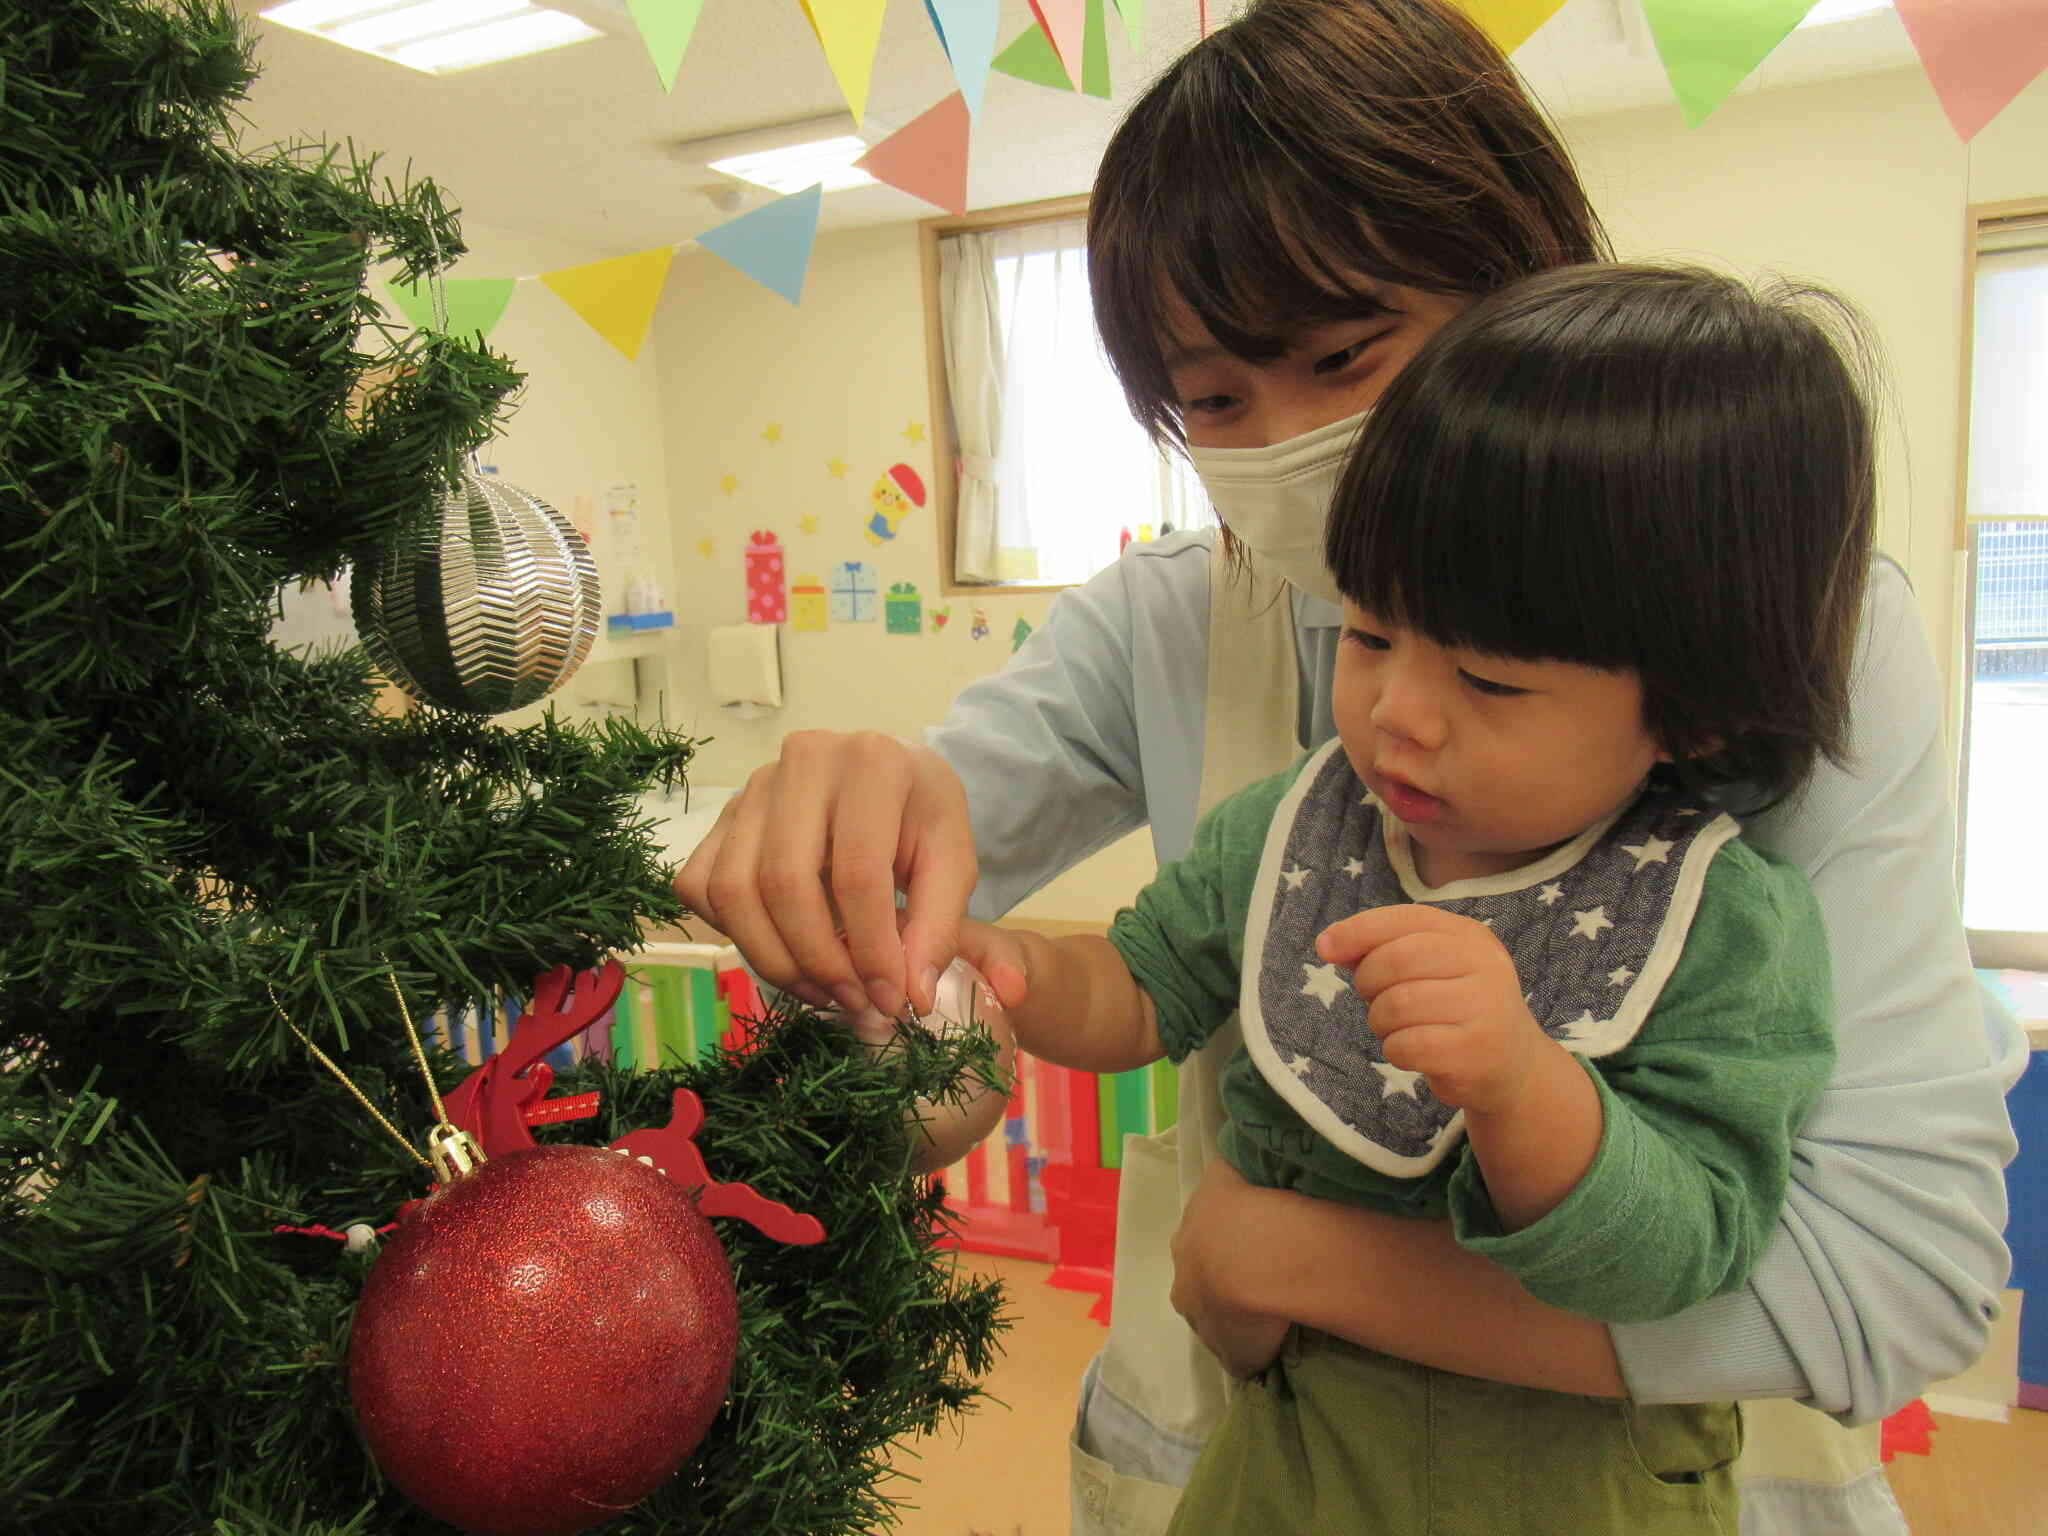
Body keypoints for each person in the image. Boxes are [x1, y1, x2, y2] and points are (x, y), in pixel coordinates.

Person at [677, 4, 2024, 1533]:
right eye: (1215, 403)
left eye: (1347, 354)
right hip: (1244, 1473)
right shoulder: (1176, 622)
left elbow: (1892, 1277)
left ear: (1535, 288)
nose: (1295, 445)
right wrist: (880, 947)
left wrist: (1304, 1264)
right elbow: (980, 960)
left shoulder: (1789, 638)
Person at [949, 262, 1867, 1533]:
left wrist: (1520, 1084)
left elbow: (1678, 1258)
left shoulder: (1716, 920)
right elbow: (1143, 984)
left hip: (1581, 1489)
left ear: (1692, 708)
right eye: (1371, 637)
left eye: (1488, 681)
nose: (1396, 715)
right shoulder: (1297, 823)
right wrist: (1024, 976)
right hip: (1287, 1468)